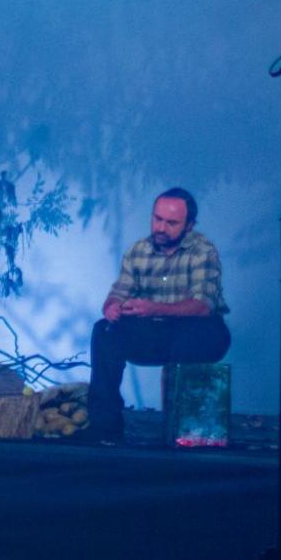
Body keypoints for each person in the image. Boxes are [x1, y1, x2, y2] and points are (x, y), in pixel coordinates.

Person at [88, 188, 231, 446]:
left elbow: (203, 306)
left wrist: (154, 308)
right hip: (153, 332)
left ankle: (180, 428)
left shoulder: (203, 251)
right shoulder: (138, 251)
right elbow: (118, 293)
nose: (161, 227)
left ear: (189, 226)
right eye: (157, 219)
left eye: (171, 222)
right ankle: (105, 428)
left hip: (198, 331)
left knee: (192, 336)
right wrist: (112, 307)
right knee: (104, 331)